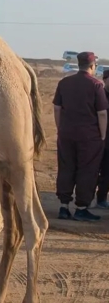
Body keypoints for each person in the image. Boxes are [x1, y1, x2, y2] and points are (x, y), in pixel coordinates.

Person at [53, 51, 108, 221]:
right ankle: (81, 208)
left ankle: (63, 206)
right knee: (87, 170)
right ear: (93, 66)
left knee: (66, 167)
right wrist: (103, 135)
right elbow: (102, 114)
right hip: (89, 137)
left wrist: (60, 128)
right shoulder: (96, 85)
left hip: (66, 134)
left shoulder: (64, 83)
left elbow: (57, 108)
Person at [94, 68, 109, 209]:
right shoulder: (100, 95)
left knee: (107, 172)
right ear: (104, 80)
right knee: (93, 171)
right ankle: (86, 201)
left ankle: (102, 198)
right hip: (98, 139)